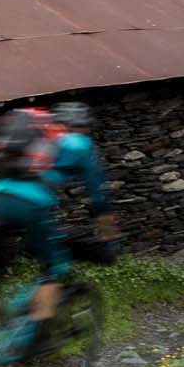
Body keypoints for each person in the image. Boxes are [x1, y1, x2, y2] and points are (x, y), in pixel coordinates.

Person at [0, 107, 72, 356]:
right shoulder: (47, 134)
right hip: (33, 205)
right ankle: (39, 338)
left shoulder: (6, 136)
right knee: (53, 270)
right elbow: (51, 171)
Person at [50, 101, 117, 260]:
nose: (88, 131)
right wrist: (108, 232)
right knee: (104, 255)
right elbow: (98, 195)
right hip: (33, 209)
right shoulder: (81, 145)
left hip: (0, 203)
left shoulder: (40, 136)